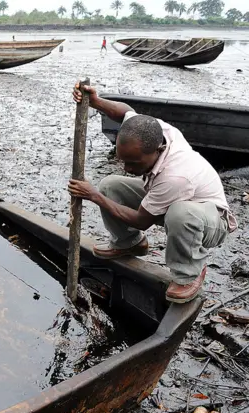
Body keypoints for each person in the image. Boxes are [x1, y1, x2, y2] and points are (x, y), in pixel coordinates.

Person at [68, 82, 237, 303]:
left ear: (157, 151)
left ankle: (188, 275)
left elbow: (141, 220)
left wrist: (93, 196)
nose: (127, 169)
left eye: (133, 163)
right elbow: (125, 112)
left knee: (181, 214)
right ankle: (129, 243)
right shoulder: (154, 130)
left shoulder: (176, 176)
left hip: (210, 220)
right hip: (175, 202)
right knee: (110, 185)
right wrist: (96, 101)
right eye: (123, 161)